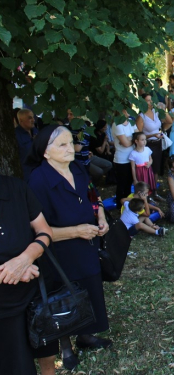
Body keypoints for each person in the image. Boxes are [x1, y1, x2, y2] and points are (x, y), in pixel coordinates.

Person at [26, 125, 112, 371]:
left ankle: (86, 336)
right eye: (61, 145)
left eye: (69, 143)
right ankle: (65, 347)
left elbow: (94, 198)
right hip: (58, 252)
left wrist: (101, 218)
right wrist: (76, 231)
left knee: (90, 288)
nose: (70, 148)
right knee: (63, 297)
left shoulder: (77, 168)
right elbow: (37, 229)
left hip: (86, 244)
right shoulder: (38, 180)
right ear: (45, 152)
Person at [0, 175, 56, 375]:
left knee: (45, 354)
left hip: (33, 295)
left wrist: (24, 259)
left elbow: (44, 231)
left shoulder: (16, 187)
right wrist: (11, 272)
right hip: (4, 309)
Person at [136, 93, 173, 189]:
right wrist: (153, 135)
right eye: (148, 100)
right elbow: (138, 135)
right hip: (148, 144)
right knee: (148, 169)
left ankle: (154, 191)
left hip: (158, 143)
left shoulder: (156, 112)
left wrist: (162, 110)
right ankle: (146, 192)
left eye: (151, 100)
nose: (150, 102)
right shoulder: (141, 116)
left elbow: (169, 121)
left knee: (156, 168)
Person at [111, 109, 137, 209]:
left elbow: (137, 135)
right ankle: (119, 204)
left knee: (129, 183)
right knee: (122, 183)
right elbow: (126, 143)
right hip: (121, 159)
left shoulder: (131, 121)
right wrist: (131, 140)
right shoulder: (117, 124)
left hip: (132, 157)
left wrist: (128, 139)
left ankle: (127, 204)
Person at [129, 132, 158, 197]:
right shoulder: (133, 153)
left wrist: (150, 163)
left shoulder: (147, 149)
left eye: (145, 139)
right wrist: (135, 179)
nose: (144, 141)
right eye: (142, 140)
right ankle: (143, 199)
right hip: (140, 172)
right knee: (142, 187)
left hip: (148, 170)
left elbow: (151, 159)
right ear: (136, 141)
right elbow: (133, 167)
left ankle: (149, 197)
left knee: (149, 184)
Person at [15, 109, 38, 181]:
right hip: (26, 174)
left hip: (39, 171)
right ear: (21, 120)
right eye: (29, 118)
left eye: (33, 117)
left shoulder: (36, 131)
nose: (33, 120)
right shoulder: (16, 135)